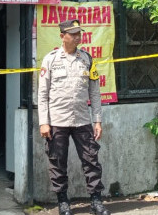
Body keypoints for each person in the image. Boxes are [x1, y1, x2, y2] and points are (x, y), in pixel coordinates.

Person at [38, 19, 109, 215]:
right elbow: (42, 94)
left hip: (82, 120)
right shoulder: (50, 60)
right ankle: (63, 203)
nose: (78, 37)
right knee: (57, 162)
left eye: (79, 33)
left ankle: (96, 201)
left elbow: (95, 92)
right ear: (62, 36)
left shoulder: (87, 59)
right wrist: (44, 122)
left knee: (91, 160)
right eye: (73, 34)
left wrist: (97, 120)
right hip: (57, 121)